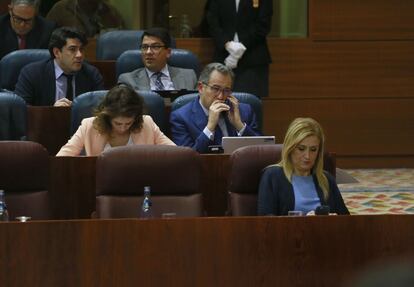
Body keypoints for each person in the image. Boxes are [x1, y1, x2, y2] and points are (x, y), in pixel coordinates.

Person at [257, 117, 349, 216]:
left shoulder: (326, 179)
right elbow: (265, 222)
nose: (307, 156)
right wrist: (305, 222)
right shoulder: (272, 176)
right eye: (301, 149)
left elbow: (346, 220)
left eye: (313, 150)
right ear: (290, 148)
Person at [56, 85, 175, 156]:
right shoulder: (89, 125)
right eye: (118, 123)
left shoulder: (147, 123)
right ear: (108, 117)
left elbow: (176, 153)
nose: (123, 128)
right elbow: (63, 158)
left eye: (128, 123)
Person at [170, 62, 261, 153]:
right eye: (215, 89)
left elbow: (260, 150)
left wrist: (239, 125)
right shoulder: (181, 118)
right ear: (201, 88)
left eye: (226, 90)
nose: (221, 96)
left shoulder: (244, 111)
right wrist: (210, 127)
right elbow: (187, 159)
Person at [15, 26, 104, 106]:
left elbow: (101, 109)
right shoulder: (32, 74)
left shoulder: (91, 74)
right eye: (72, 49)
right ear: (57, 52)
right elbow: (22, 111)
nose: (79, 55)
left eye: (81, 49)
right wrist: (52, 112)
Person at [206, 0, 273, 98]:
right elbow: (212, 21)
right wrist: (227, 44)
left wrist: (240, 47)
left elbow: (263, 25)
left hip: (253, 58)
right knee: (219, 102)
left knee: (250, 104)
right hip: (223, 56)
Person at [117, 27, 197, 91]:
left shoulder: (189, 76)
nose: (148, 52)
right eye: (144, 47)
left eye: (155, 47)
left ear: (168, 52)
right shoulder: (128, 80)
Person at [46, 0, 124, 38]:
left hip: (102, 59)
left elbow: (119, 39)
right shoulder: (61, 9)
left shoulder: (110, 10)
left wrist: (107, 15)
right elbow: (45, 37)